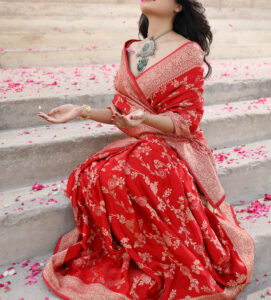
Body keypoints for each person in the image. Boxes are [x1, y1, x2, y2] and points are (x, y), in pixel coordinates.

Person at [39, 0, 255, 299]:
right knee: (96, 174)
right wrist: (81, 110)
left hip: (175, 145)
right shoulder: (131, 50)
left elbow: (187, 121)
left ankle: (158, 256)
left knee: (133, 170)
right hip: (143, 141)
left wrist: (147, 119)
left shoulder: (188, 52)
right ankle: (132, 250)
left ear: (179, 7)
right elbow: (119, 111)